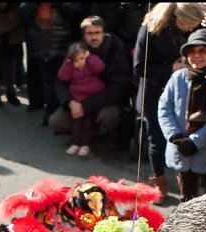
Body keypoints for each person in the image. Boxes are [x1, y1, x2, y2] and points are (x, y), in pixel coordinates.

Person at [133, 2, 203, 204]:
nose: (192, 29)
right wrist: (170, 69)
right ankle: (159, 182)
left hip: (182, 92)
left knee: (183, 134)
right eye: (190, 25)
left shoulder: (190, 29)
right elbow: (139, 68)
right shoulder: (150, 29)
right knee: (156, 138)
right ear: (179, 19)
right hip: (155, 91)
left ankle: (185, 182)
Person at [158, 28, 206, 203]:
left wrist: (195, 141)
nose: (196, 55)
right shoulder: (178, 77)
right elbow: (164, 108)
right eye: (192, 51)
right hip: (181, 150)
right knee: (186, 202)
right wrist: (175, 136)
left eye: (203, 50)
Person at [49, 16, 132, 144]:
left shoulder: (116, 49)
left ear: (103, 32)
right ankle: (79, 133)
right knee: (57, 121)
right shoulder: (75, 50)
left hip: (106, 100)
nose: (94, 37)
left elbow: (118, 86)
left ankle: (112, 135)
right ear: (84, 34)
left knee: (108, 117)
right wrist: (70, 103)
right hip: (78, 97)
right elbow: (60, 81)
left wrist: (86, 107)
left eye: (97, 32)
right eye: (90, 33)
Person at [20, 1, 81, 127]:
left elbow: (75, 11)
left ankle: (65, 113)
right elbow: (24, 13)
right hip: (42, 46)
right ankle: (50, 112)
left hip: (62, 44)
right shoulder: (29, 6)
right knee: (47, 83)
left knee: (64, 82)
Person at [57, 41, 105, 157]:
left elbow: (100, 67)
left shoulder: (90, 64)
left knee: (88, 124)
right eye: (75, 61)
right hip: (78, 99)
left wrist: (89, 58)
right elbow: (62, 76)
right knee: (77, 124)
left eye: (82, 58)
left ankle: (85, 144)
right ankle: (75, 143)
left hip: (91, 99)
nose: (79, 63)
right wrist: (68, 64)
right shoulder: (71, 69)